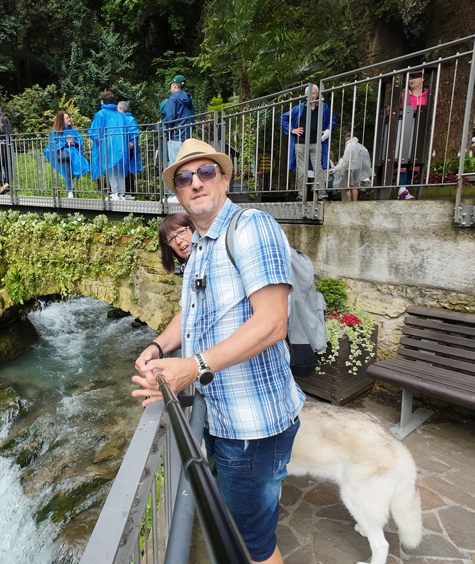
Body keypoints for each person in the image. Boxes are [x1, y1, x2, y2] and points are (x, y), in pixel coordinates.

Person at [133, 137, 304, 564]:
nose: (195, 183)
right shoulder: (201, 248)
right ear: (176, 192)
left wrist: (193, 367)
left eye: (206, 172)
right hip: (225, 419)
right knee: (240, 531)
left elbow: (272, 322)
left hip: (252, 428)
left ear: (225, 178)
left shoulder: (250, 227)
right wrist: (157, 345)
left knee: (252, 547)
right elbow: (186, 316)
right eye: (184, 178)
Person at [280, 84, 337, 202]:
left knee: (318, 169)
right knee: (301, 171)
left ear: (317, 95)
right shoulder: (298, 108)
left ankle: (322, 194)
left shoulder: (323, 107)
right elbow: (283, 118)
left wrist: (327, 130)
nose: (312, 95)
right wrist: (292, 130)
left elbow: (332, 119)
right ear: (306, 96)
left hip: (316, 143)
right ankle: (301, 195)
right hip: (300, 144)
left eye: (314, 93)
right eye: (309, 94)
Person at [88, 91, 130, 200]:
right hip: (121, 146)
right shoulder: (120, 115)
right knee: (120, 169)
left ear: (102, 101)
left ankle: (114, 193)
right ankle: (122, 193)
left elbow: (94, 132)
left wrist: (99, 141)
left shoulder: (101, 114)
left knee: (110, 168)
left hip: (107, 145)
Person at [43, 111, 90, 198]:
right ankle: (70, 191)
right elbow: (52, 144)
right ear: (61, 120)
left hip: (74, 155)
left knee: (73, 172)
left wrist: (73, 143)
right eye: (67, 118)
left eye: (69, 117)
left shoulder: (74, 130)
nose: (69, 119)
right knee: (67, 172)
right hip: (64, 155)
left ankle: (71, 188)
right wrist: (65, 144)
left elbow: (80, 141)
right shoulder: (56, 132)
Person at [163, 75, 195, 166]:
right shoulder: (189, 100)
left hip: (175, 138)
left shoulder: (173, 99)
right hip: (188, 137)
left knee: (175, 166)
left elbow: (170, 118)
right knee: (186, 165)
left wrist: (167, 132)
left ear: (174, 85)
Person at [333, 133, 373, 202]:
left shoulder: (349, 146)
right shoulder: (358, 146)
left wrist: (343, 169)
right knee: (354, 185)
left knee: (348, 186)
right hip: (357, 168)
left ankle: (349, 201)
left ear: (348, 138)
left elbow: (346, 159)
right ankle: (355, 200)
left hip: (349, 168)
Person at [118, 101, 143, 195]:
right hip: (121, 148)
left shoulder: (129, 119)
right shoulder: (120, 118)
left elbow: (134, 133)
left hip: (128, 149)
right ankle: (123, 191)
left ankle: (129, 191)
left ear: (122, 109)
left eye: (118, 108)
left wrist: (132, 143)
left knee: (127, 169)